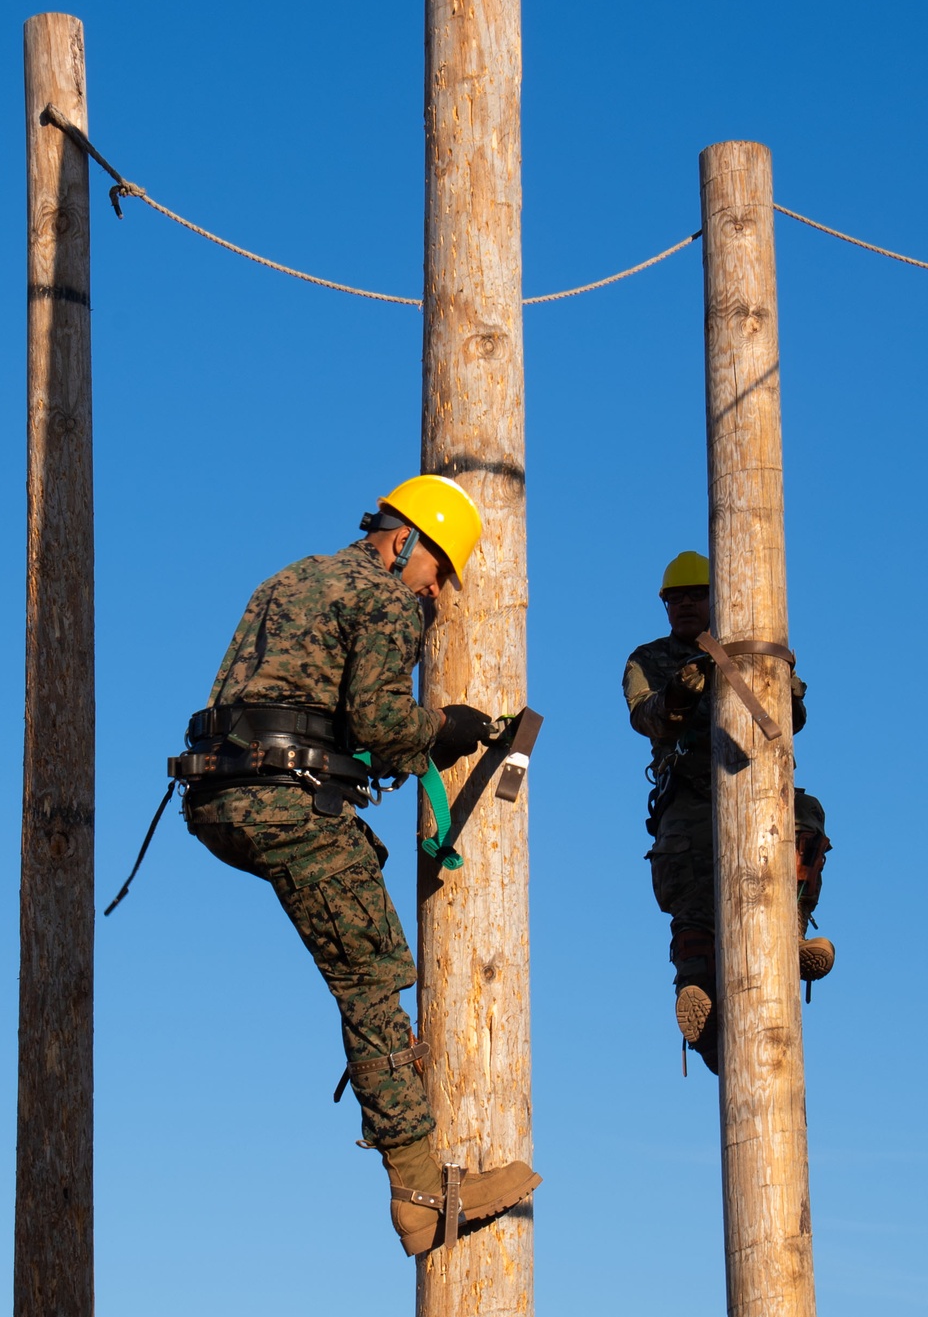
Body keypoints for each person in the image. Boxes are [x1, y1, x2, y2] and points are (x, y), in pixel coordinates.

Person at [173, 474, 540, 1254]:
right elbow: (380, 718)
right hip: (287, 799)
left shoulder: (290, 577)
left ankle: (410, 1170)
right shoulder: (384, 600)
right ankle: (419, 1191)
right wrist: (438, 729)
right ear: (402, 539)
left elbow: (316, 704)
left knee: (353, 932)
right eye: (437, 570)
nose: (437, 592)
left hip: (219, 795)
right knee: (371, 974)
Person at [623, 551, 834, 1073]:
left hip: (754, 784)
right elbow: (644, 717)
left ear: (718, 599)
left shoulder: (748, 647)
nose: (685, 606)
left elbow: (796, 715)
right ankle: (697, 997)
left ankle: (793, 930)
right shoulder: (649, 659)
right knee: (694, 899)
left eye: (695, 595)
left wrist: (766, 670)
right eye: (675, 598)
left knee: (805, 818)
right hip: (689, 794)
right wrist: (679, 693)